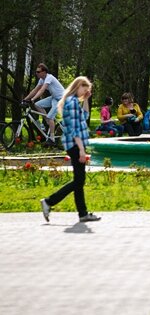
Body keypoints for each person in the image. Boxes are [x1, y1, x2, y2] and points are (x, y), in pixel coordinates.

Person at [39, 76, 101, 223]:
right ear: (78, 86)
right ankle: (49, 202)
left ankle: (83, 213)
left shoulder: (72, 101)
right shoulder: (71, 102)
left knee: (79, 181)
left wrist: (85, 99)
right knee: (79, 180)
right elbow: (74, 130)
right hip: (75, 144)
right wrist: (81, 150)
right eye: (84, 90)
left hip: (74, 144)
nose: (84, 93)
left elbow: (84, 117)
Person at [22, 63, 65, 146]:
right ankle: (48, 123)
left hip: (61, 99)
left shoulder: (49, 77)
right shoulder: (42, 79)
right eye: (36, 72)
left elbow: (42, 90)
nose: (37, 73)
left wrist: (33, 99)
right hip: (54, 98)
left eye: (38, 72)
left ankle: (52, 139)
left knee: (50, 116)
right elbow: (35, 90)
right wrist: (25, 99)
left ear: (44, 72)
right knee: (38, 105)